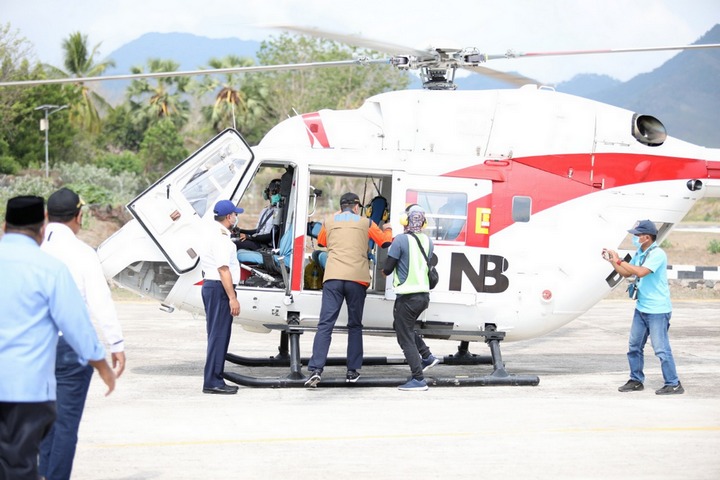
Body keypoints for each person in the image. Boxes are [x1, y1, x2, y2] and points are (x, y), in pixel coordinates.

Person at [0, 196, 115, 480]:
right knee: (24, 463)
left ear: (4, 226)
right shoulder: (50, 269)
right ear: (42, 229)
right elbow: (76, 325)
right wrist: (102, 366)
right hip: (27, 391)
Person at [38, 188, 127, 480]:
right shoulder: (83, 253)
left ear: (48, 217)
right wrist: (116, 344)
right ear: (78, 217)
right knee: (65, 427)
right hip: (70, 348)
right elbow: (100, 302)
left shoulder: (30, 250)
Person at [304, 192, 392, 387]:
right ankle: (352, 371)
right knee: (354, 325)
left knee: (325, 324)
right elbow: (385, 242)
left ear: (341, 206)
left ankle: (316, 369)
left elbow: (322, 242)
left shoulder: (329, 221)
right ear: (355, 206)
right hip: (357, 279)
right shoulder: (366, 223)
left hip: (333, 277)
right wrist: (389, 228)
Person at [604, 219, 684, 395]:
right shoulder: (640, 252)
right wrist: (612, 261)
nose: (635, 238)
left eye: (637, 235)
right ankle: (636, 380)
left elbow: (640, 272)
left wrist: (618, 260)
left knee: (661, 349)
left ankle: (673, 383)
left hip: (658, 310)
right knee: (634, 346)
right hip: (642, 308)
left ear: (647, 237)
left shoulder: (657, 254)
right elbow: (627, 272)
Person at [382, 204, 440, 391]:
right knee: (401, 327)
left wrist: (383, 270)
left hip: (407, 296)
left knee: (405, 336)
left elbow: (388, 268)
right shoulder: (428, 241)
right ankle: (427, 356)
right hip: (423, 296)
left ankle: (418, 379)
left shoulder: (400, 240)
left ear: (405, 220)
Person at [198, 199, 243, 394]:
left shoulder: (214, 233)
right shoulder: (221, 238)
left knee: (217, 335)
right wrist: (232, 297)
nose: (236, 216)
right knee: (219, 335)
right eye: (235, 214)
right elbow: (223, 269)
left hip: (214, 287)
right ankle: (213, 382)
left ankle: (215, 378)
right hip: (219, 288)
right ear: (228, 217)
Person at [233, 178, 281, 251]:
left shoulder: (279, 214)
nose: (271, 194)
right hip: (257, 241)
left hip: (265, 246)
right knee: (232, 237)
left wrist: (249, 237)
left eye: (275, 192)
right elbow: (258, 231)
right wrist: (241, 231)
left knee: (234, 244)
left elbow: (270, 237)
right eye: (271, 192)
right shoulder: (265, 210)